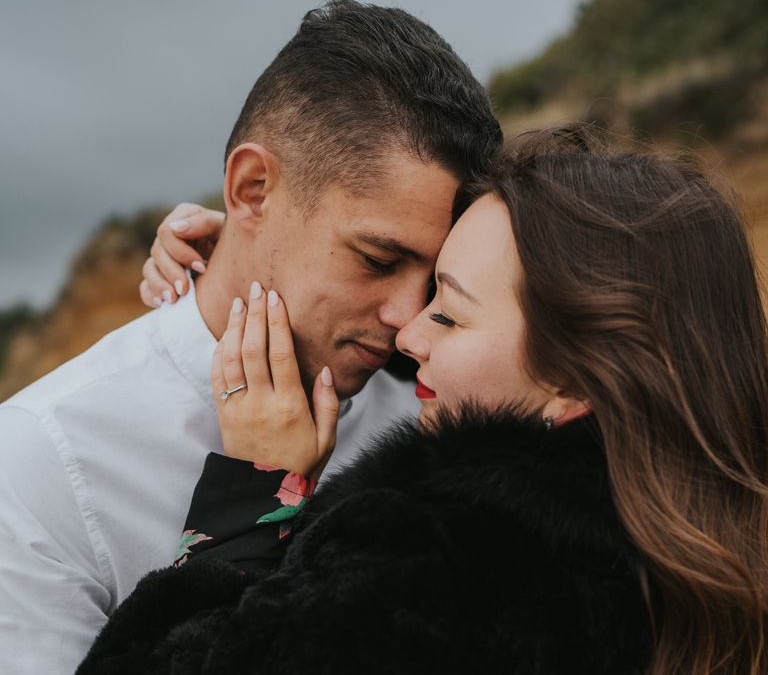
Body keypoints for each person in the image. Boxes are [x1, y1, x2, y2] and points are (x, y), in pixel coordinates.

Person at [78, 128, 768, 674]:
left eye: (448, 310)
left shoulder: (422, 565)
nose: (407, 334)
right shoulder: (704, 547)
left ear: (578, 380)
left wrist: (250, 500)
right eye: (389, 265)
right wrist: (258, 244)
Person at [0, 0, 501, 673]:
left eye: (436, 280)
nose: (410, 322)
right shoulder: (37, 467)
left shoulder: (446, 399)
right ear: (252, 189)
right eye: (378, 261)